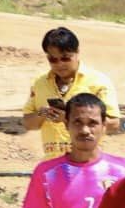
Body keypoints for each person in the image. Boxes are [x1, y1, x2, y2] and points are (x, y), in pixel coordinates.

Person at [20, 27, 119, 159]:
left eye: (65, 58)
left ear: (77, 52)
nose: (60, 64)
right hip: (52, 163)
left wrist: (70, 119)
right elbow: (28, 124)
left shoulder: (98, 82)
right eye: (53, 60)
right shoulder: (40, 83)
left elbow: (113, 123)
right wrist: (43, 113)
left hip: (88, 162)